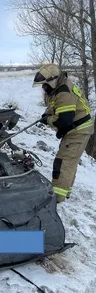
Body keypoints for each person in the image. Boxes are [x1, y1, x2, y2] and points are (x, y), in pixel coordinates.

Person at [33, 63, 93, 204]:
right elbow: (56, 107)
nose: (43, 88)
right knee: (69, 162)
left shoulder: (63, 92)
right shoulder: (59, 88)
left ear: (52, 81)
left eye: (45, 85)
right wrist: (47, 114)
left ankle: (57, 198)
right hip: (78, 130)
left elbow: (63, 120)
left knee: (63, 162)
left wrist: (48, 120)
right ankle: (64, 192)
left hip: (78, 131)